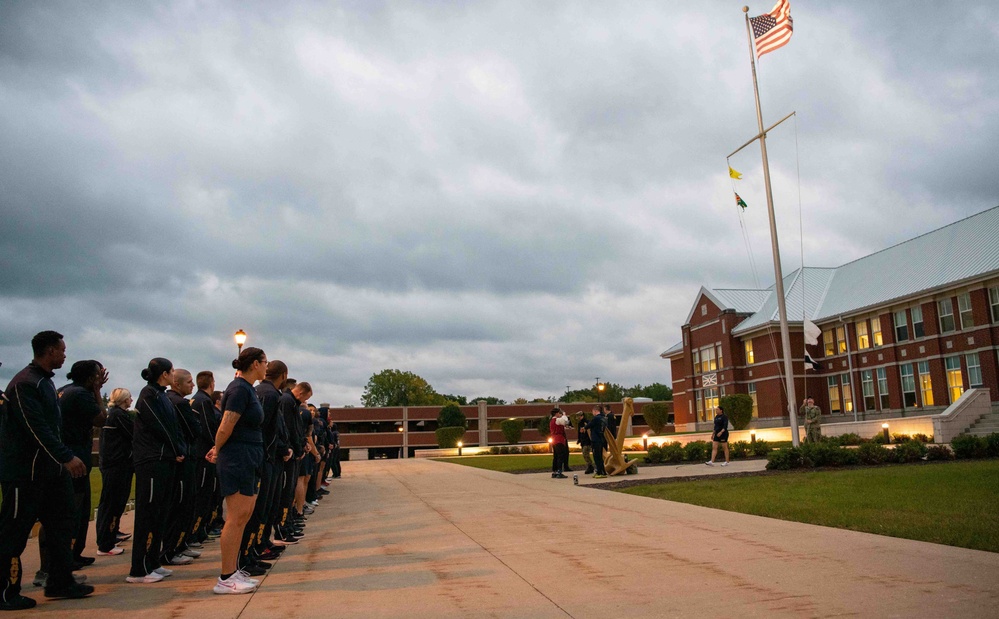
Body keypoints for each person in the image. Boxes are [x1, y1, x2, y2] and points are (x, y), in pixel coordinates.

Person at [1, 331, 94, 611]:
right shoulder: (25, 384)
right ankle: (7, 590)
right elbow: (36, 429)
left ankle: (60, 581)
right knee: (13, 532)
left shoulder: (45, 383)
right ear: (49, 351)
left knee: (62, 524)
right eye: (62, 350)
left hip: (49, 472)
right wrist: (67, 457)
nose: (65, 354)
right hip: (24, 473)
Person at [207, 347, 268, 595]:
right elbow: (226, 424)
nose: (267, 366)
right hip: (238, 457)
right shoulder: (239, 389)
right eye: (265, 362)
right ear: (255, 363)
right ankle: (225, 577)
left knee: (243, 516)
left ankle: (233, 570)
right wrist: (217, 449)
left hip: (248, 455)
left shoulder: (248, 389)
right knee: (235, 517)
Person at [127, 358, 184, 584]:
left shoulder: (161, 395)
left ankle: (152, 562)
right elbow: (159, 426)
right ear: (163, 374)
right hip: (151, 460)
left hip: (165, 459)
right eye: (171, 372)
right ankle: (139, 568)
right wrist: (175, 448)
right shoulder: (148, 394)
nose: (173, 375)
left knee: (160, 513)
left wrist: (177, 449)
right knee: (147, 515)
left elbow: (173, 426)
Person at [58, 360, 109, 568]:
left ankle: (73, 554)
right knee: (75, 510)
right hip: (75, 458)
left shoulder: (64, 390)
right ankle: (68, 557)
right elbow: (101, 419)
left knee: (78, 509)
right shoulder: (80, 394)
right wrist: (97, 392)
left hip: (70, 455)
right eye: (97, 375)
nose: (100, 378)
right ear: (90, 378)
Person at [162, 369, 200, 566]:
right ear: (176, 384)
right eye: (189, 382)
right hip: (184, 457)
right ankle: (172, 548)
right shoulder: (179, 403)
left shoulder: (169, 400)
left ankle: (179, 544)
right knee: (182, 505)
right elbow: (194, 430)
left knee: (181, 505)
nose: (192, 386)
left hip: (180, 456)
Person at [95, 388, 134, 556]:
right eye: (129, 398)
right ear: (124, 400)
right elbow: (133, 434)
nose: (131, 400)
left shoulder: (115, 414)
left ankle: (112, 532)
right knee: (112, 503)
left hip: (116, 463)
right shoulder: (118, 415)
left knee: (115, 502)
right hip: (116, 464)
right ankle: (106, 543)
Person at [190, 371, 220, 544]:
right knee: (204, 495)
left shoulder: (195, 400)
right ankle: (197, 532)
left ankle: (199, 531)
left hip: (199, 453)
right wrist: (217, 446)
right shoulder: (204, 401)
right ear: (211, 384)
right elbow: (208, 428)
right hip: (205, 455)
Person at [586, 406, 608, 479]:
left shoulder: (596, 418)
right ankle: (603, 471)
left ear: (595, 411)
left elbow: (589, 425)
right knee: (600, 457)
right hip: (601, 438)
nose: (593, 413)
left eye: (593, 411)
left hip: (595, 439)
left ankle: (600, 472)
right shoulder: (604, 418)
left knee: (596, 457)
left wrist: (584, 428)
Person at [548, 408, 570, 478]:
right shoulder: (557, 420)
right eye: (559, 413)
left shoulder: (552, 421)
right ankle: (559, 471)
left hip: (554, 440)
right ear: (557, 413)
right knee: (561, 455)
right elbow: (565, 421)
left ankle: (555, 470)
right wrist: (564, 415)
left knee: (556, 456)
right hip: (559, 440)